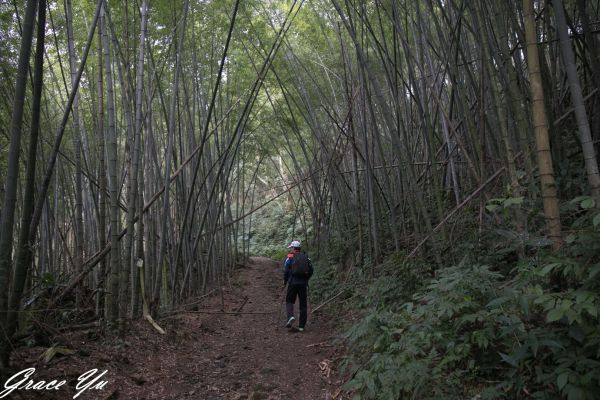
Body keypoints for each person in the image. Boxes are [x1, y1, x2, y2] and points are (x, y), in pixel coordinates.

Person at [283, 240, 313, 331]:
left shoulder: (290, 257)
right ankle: (301, 326)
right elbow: (311, 270)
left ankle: (290, 317)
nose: (290, 250)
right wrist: (306, 279)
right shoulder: (306, 257)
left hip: (292, 283)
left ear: (293, 248)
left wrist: (285, 281)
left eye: (291, 248)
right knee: (303, 304)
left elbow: (286, 270)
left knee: (289, 301)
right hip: (303, 284)